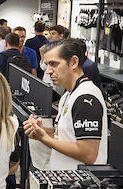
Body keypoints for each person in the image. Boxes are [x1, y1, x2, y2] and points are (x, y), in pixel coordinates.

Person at [23, 38, 109, 171]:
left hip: (80, 185)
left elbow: (88, 154)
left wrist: (44, 138)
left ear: (73, 62)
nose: (48, 71)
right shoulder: (68, 94)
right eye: (47, 64)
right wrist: (41, 131)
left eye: (53, 64)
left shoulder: (86, 98)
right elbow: (66, 137)